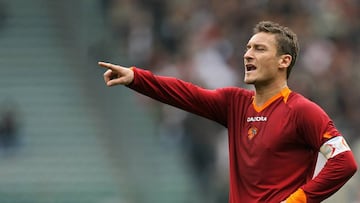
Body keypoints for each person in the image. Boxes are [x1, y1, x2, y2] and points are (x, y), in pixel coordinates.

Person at [98, 21, 357, 203]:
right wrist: (135, 77)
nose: (248, 55)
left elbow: (344, 162)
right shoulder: (234, 103)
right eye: (247, 48)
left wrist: (298, 200)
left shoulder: (303, 111)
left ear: (284, 61)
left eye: (259, 49)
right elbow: (186, 94)